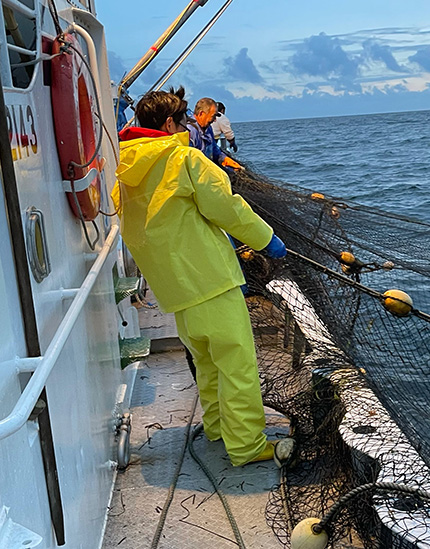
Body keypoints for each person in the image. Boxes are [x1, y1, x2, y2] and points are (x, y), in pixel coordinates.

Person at [112, 89, 294, 467]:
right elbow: (225, 206)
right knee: (236, 363)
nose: (187, 128)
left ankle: (216, 427)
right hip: (210, 279)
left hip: (175, 288)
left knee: (207, 362)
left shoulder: (123, 168)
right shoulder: (183, 158)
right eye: (182, 122)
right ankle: (245, 445)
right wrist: (265, 239)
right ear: (167, 124)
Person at [188, 95, 241, 171]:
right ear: (201, 114)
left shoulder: (208, 128)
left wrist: (224, 158)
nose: (215, 120)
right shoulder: (189, 131)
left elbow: (214, 148)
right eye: (213, 116)